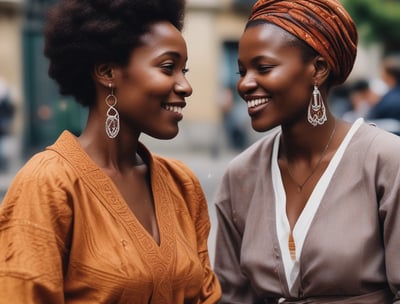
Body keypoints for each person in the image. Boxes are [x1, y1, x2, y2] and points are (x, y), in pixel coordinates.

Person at [0, 0, 221, 303]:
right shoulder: (47, 185)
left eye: (184, 70)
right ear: (107, 72)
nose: (185, 86)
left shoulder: (182, 184)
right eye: (168, 68)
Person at [214, 0, 400, 303]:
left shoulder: (386, 160)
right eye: (241, 71)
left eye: (263, 68)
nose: (245, 84)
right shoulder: (240, 175)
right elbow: (230, 295)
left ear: (318, 69)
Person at [367, 54, 400, 135]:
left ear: (389, 75)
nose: (381, 75)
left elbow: (374, 116)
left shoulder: (389, 99)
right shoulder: (389, 94)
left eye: (382, 72)